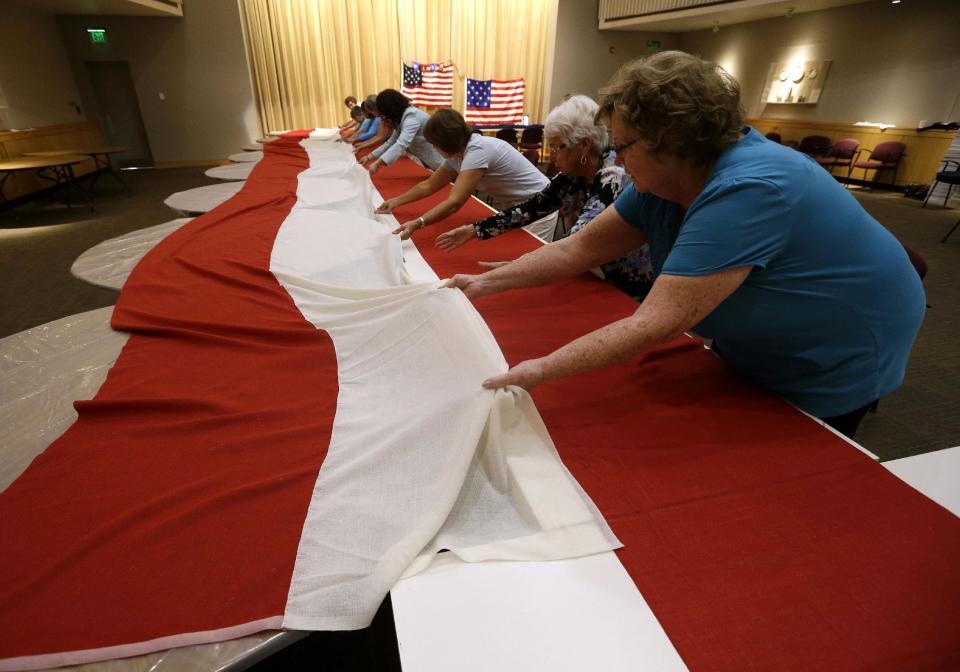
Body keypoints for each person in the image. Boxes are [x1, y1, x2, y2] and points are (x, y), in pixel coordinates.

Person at [444, 50, 925, 438]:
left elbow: (654, 323)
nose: (616, 156)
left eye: (624, 144)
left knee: (794, 461)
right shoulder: (663, 182)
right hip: (761, 339)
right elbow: (577, 249)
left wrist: (537, 372)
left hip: (839, 346)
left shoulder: (749, 188)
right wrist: (484, 283)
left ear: (671, 141)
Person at [435, 96, 652, 300]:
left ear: (584, 145)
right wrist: (474, 229)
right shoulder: (573, 174)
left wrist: (509, 271)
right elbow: (531, 208)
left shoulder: (613, 178)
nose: (553, 156)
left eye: (557, 147)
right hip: (601, 273)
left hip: (629, 289)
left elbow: (573, 247)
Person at [376, 109, 549, 239]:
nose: (434, 148)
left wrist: (418, 222)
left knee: (530, 260)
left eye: (435, 144)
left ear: (445, 142)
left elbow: (455, 202)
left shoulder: (477, 151)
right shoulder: (458, 154)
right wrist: (395, 201)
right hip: (517, 205)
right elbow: (429, 185)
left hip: (540, 204)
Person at [359, 89, 443, 175]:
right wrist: (369, 157)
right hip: (431, 160)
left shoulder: (412, 117)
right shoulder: (402, 117)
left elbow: (401, 143)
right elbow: (391, 141)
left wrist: (378, 163)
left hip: (440, 160)